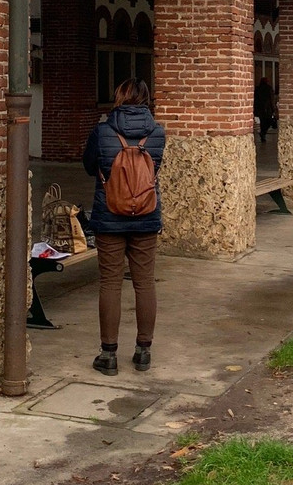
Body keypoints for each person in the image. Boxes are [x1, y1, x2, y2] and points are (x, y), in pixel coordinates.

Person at [82, 78, 165, 376]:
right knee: (144, 282)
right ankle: (143, 351)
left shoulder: (103, 130)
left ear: (118, 97)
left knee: (110, 283)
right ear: (146, 100)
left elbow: (90, 165)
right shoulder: (157, 132)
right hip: (145, 216)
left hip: (109, 216)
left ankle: (109, 355)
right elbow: (155, 168)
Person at [253, 76, 276, 143]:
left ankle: (263, 133)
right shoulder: (269, 89)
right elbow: (271, 99)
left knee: (263, 122)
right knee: (268, 121)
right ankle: (263, 133)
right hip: (267, 109)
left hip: (260, 109)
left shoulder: (257, 89)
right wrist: (274, 109)